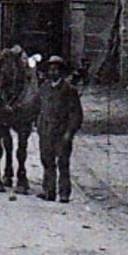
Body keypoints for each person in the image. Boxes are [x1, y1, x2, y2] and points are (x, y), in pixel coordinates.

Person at [36, 55, 83, 202]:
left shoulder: (69, 90)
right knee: (47, 161)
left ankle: (64, 193)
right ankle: (49, 191)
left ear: (61, 72)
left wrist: (69, 132)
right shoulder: (44, 88)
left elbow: (76, 114)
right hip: (45, 130)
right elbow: (37, 107)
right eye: (50, 69)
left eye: (56, 69)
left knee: (63, 162)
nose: (52, 72)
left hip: (61, 131)